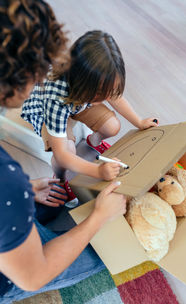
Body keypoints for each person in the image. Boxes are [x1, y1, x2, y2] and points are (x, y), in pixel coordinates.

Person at [0, 1, 127, 303]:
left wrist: (26, 191)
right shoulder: (8, 178)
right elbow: (32, 276)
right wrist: (97, 219)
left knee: (55, 200)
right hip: (11, 274)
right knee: (110, 245)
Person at [21, 30, 159, 206]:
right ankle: (61, 179)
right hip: (48, 111)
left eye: (108, 93)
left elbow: (114, 97)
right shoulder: (55, 98)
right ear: (83, 84)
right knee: (67, 150)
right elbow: (62, 155)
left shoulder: (93, 83)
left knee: (112, 126)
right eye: (101, 94)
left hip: (78, 101)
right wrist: (98, 172)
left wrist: (139, 121)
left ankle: (92, 142)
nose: (107, 98)